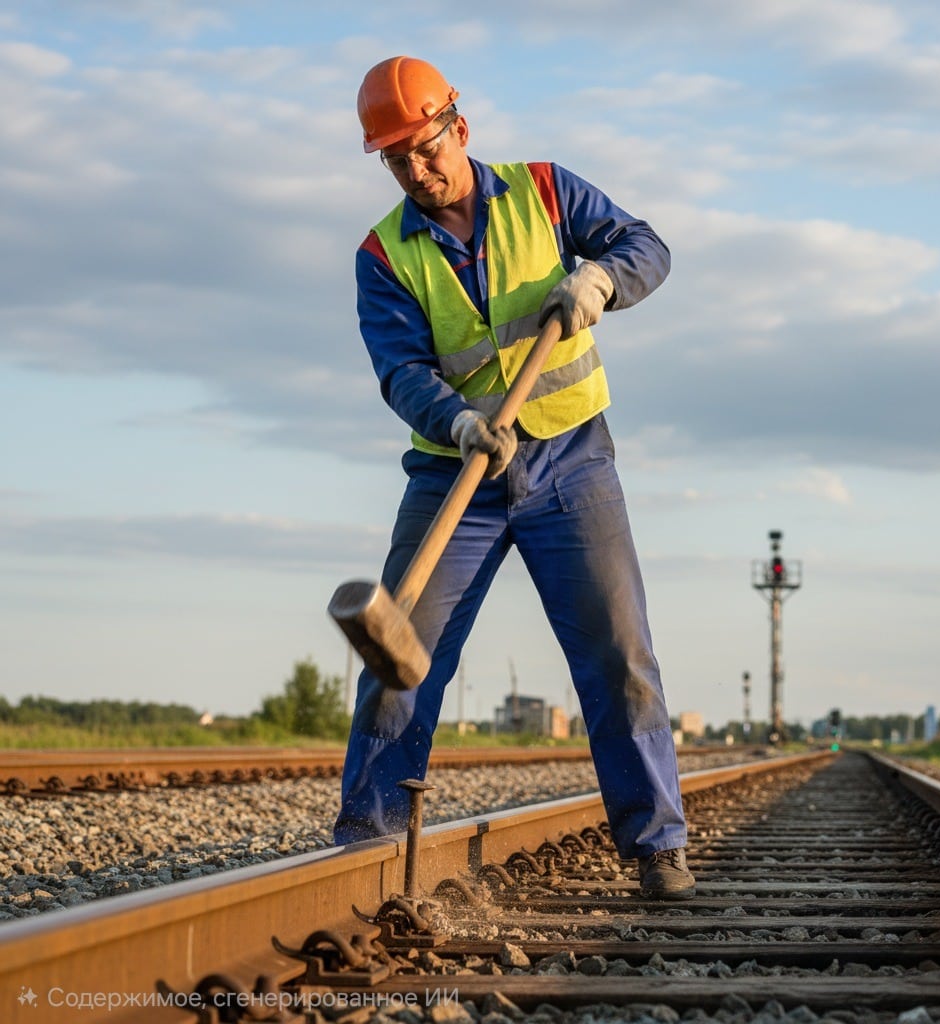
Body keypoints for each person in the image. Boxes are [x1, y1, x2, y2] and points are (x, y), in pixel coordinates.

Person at [333, 55, 694, 899]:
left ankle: (656, 846)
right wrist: (456, 421)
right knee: (402, 659)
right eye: (397, 160)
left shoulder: (544, 190)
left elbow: (648, 246)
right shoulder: (383, 255)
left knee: (618, 654)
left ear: (458, 128)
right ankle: (367, 844)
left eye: (426, 149)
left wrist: (601, 276)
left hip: (571, 459)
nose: (417, 171)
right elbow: (400, 370)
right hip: (453, 474)